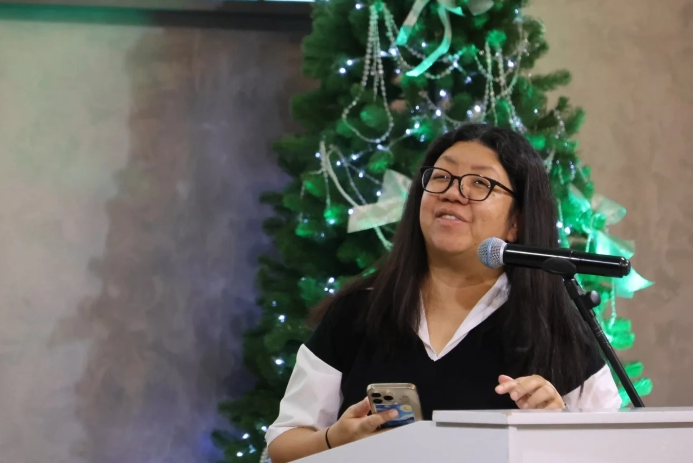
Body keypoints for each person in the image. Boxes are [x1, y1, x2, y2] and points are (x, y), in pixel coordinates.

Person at [266, 124, 622, 463]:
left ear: (516, 222)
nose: (452, 192)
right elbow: (284, 443)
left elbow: (616, 450)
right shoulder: (359, 310)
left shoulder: (555, 328)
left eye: (480, 183)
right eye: (441, 177)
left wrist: (559, 426)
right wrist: (334, 440)